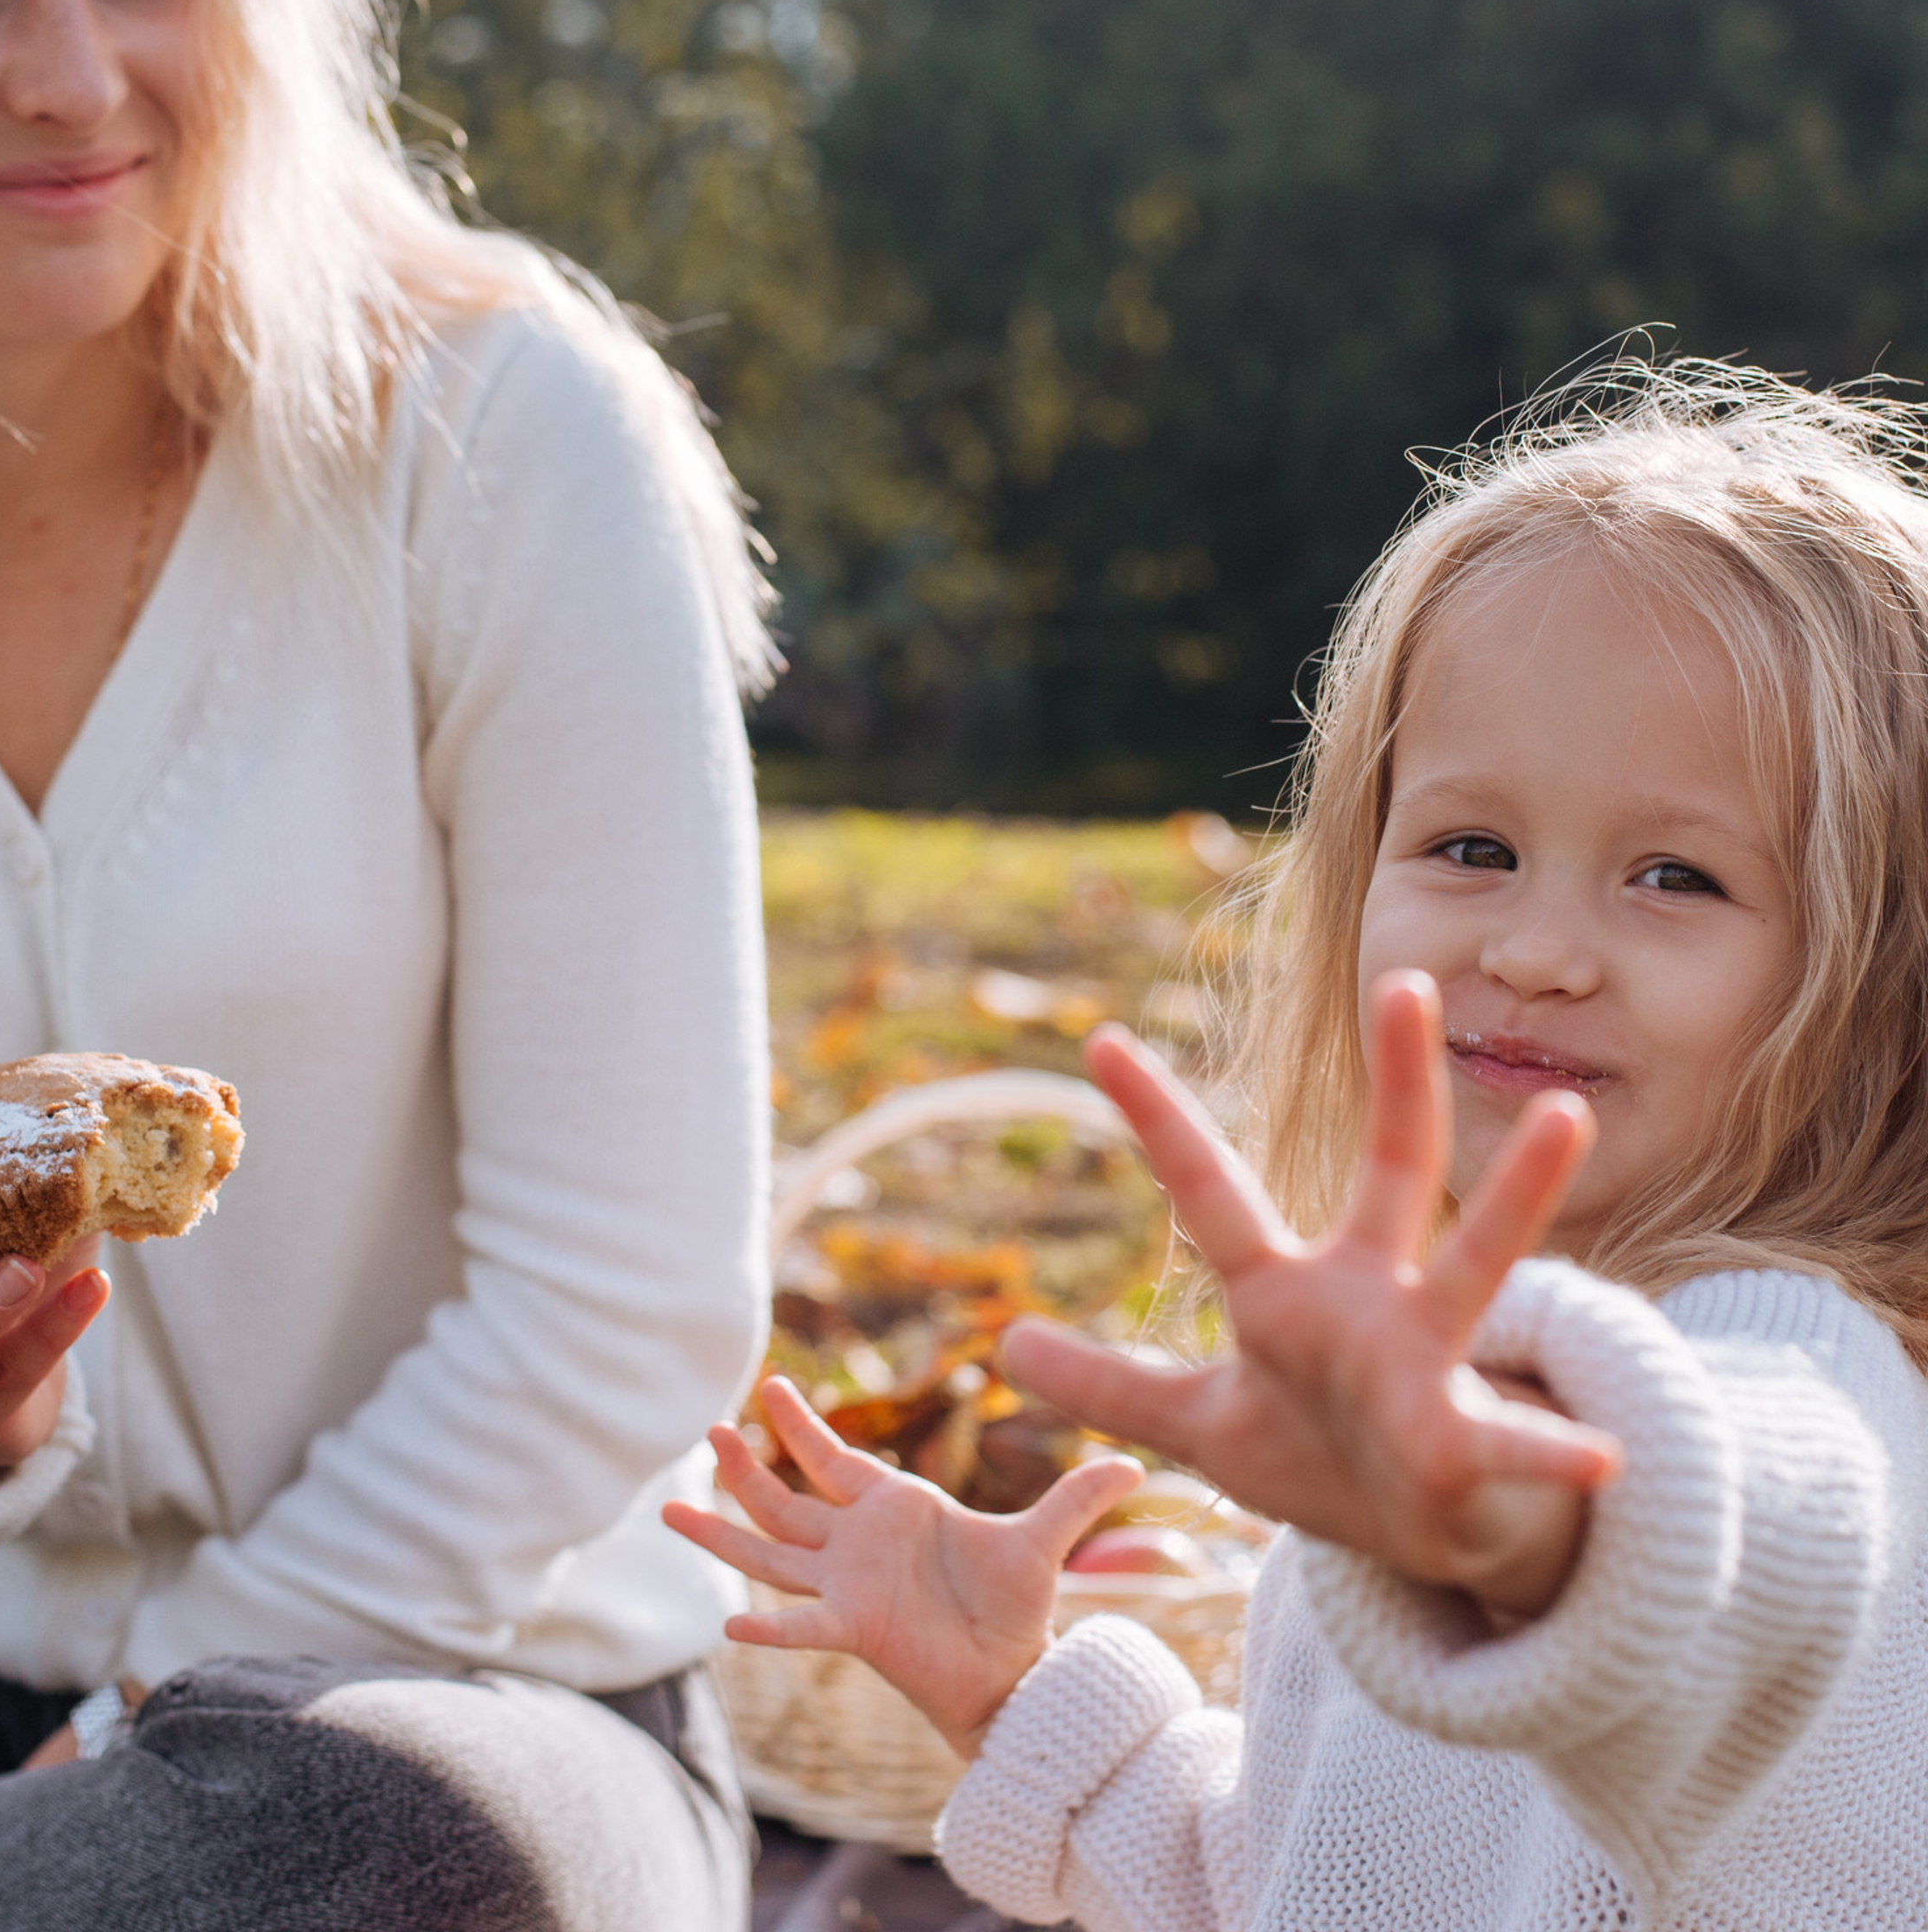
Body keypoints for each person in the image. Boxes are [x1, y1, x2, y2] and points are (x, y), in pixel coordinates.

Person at [0, 0, 776, 1926]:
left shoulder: (497, 442)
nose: (78, 76)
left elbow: (622, 1303)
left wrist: (164, 1701)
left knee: (371, 1841)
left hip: (456, 1688)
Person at [671, 363, 1928, 1929]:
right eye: (1472, 847)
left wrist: (1508, 1516)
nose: (1538, 945)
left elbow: (1741, 1545)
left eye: (1677, 877)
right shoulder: (1408, 1422)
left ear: (1882, 984)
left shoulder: (1801, 1371)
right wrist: (1008, 1702)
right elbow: (1310, 1888)